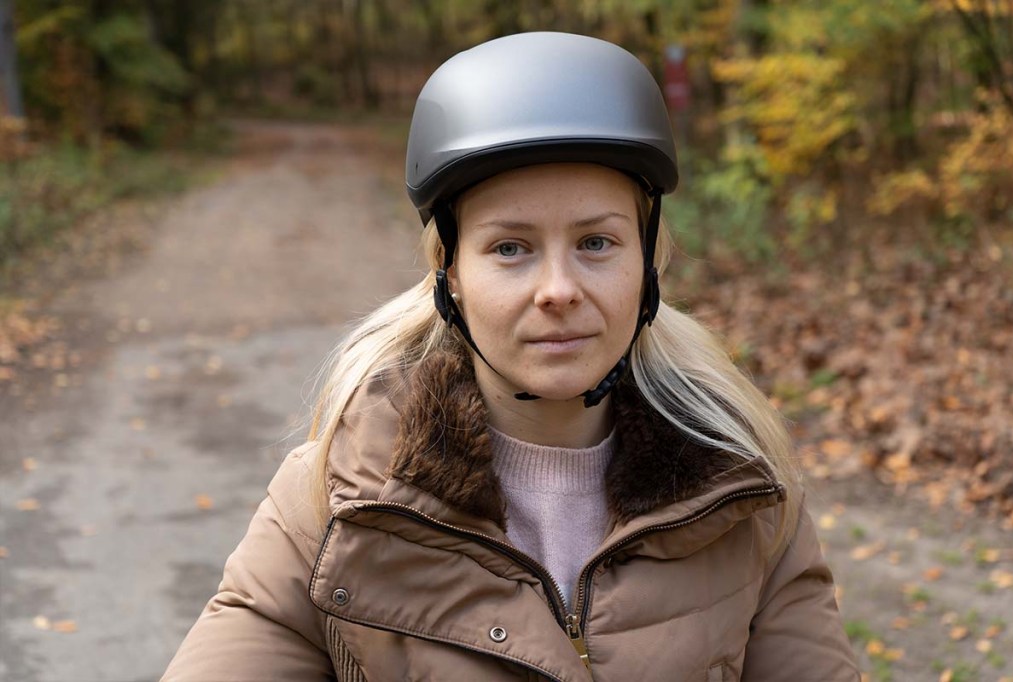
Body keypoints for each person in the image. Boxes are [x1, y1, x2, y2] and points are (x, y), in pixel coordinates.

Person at [164, 32, 858, 681]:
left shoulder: (747, 499)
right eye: (510, 248)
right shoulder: (337, 501)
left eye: (596, 243)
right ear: (451, 275)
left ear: (648, 262)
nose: (558, 290)